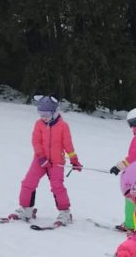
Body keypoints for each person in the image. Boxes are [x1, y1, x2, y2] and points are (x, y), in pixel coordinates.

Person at [10, 95, 82, 225]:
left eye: (47, 114)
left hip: (56, 163)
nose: (44, 117)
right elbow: (36, 141)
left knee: (57, 187)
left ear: (55, 112)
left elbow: (68, 145)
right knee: (28, 182)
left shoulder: (63, 126)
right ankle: (26, 209)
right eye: (41, 113)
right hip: (39, 160)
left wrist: (74, 160)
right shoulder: (39, 124)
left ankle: (65, 212)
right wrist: (41, 157)